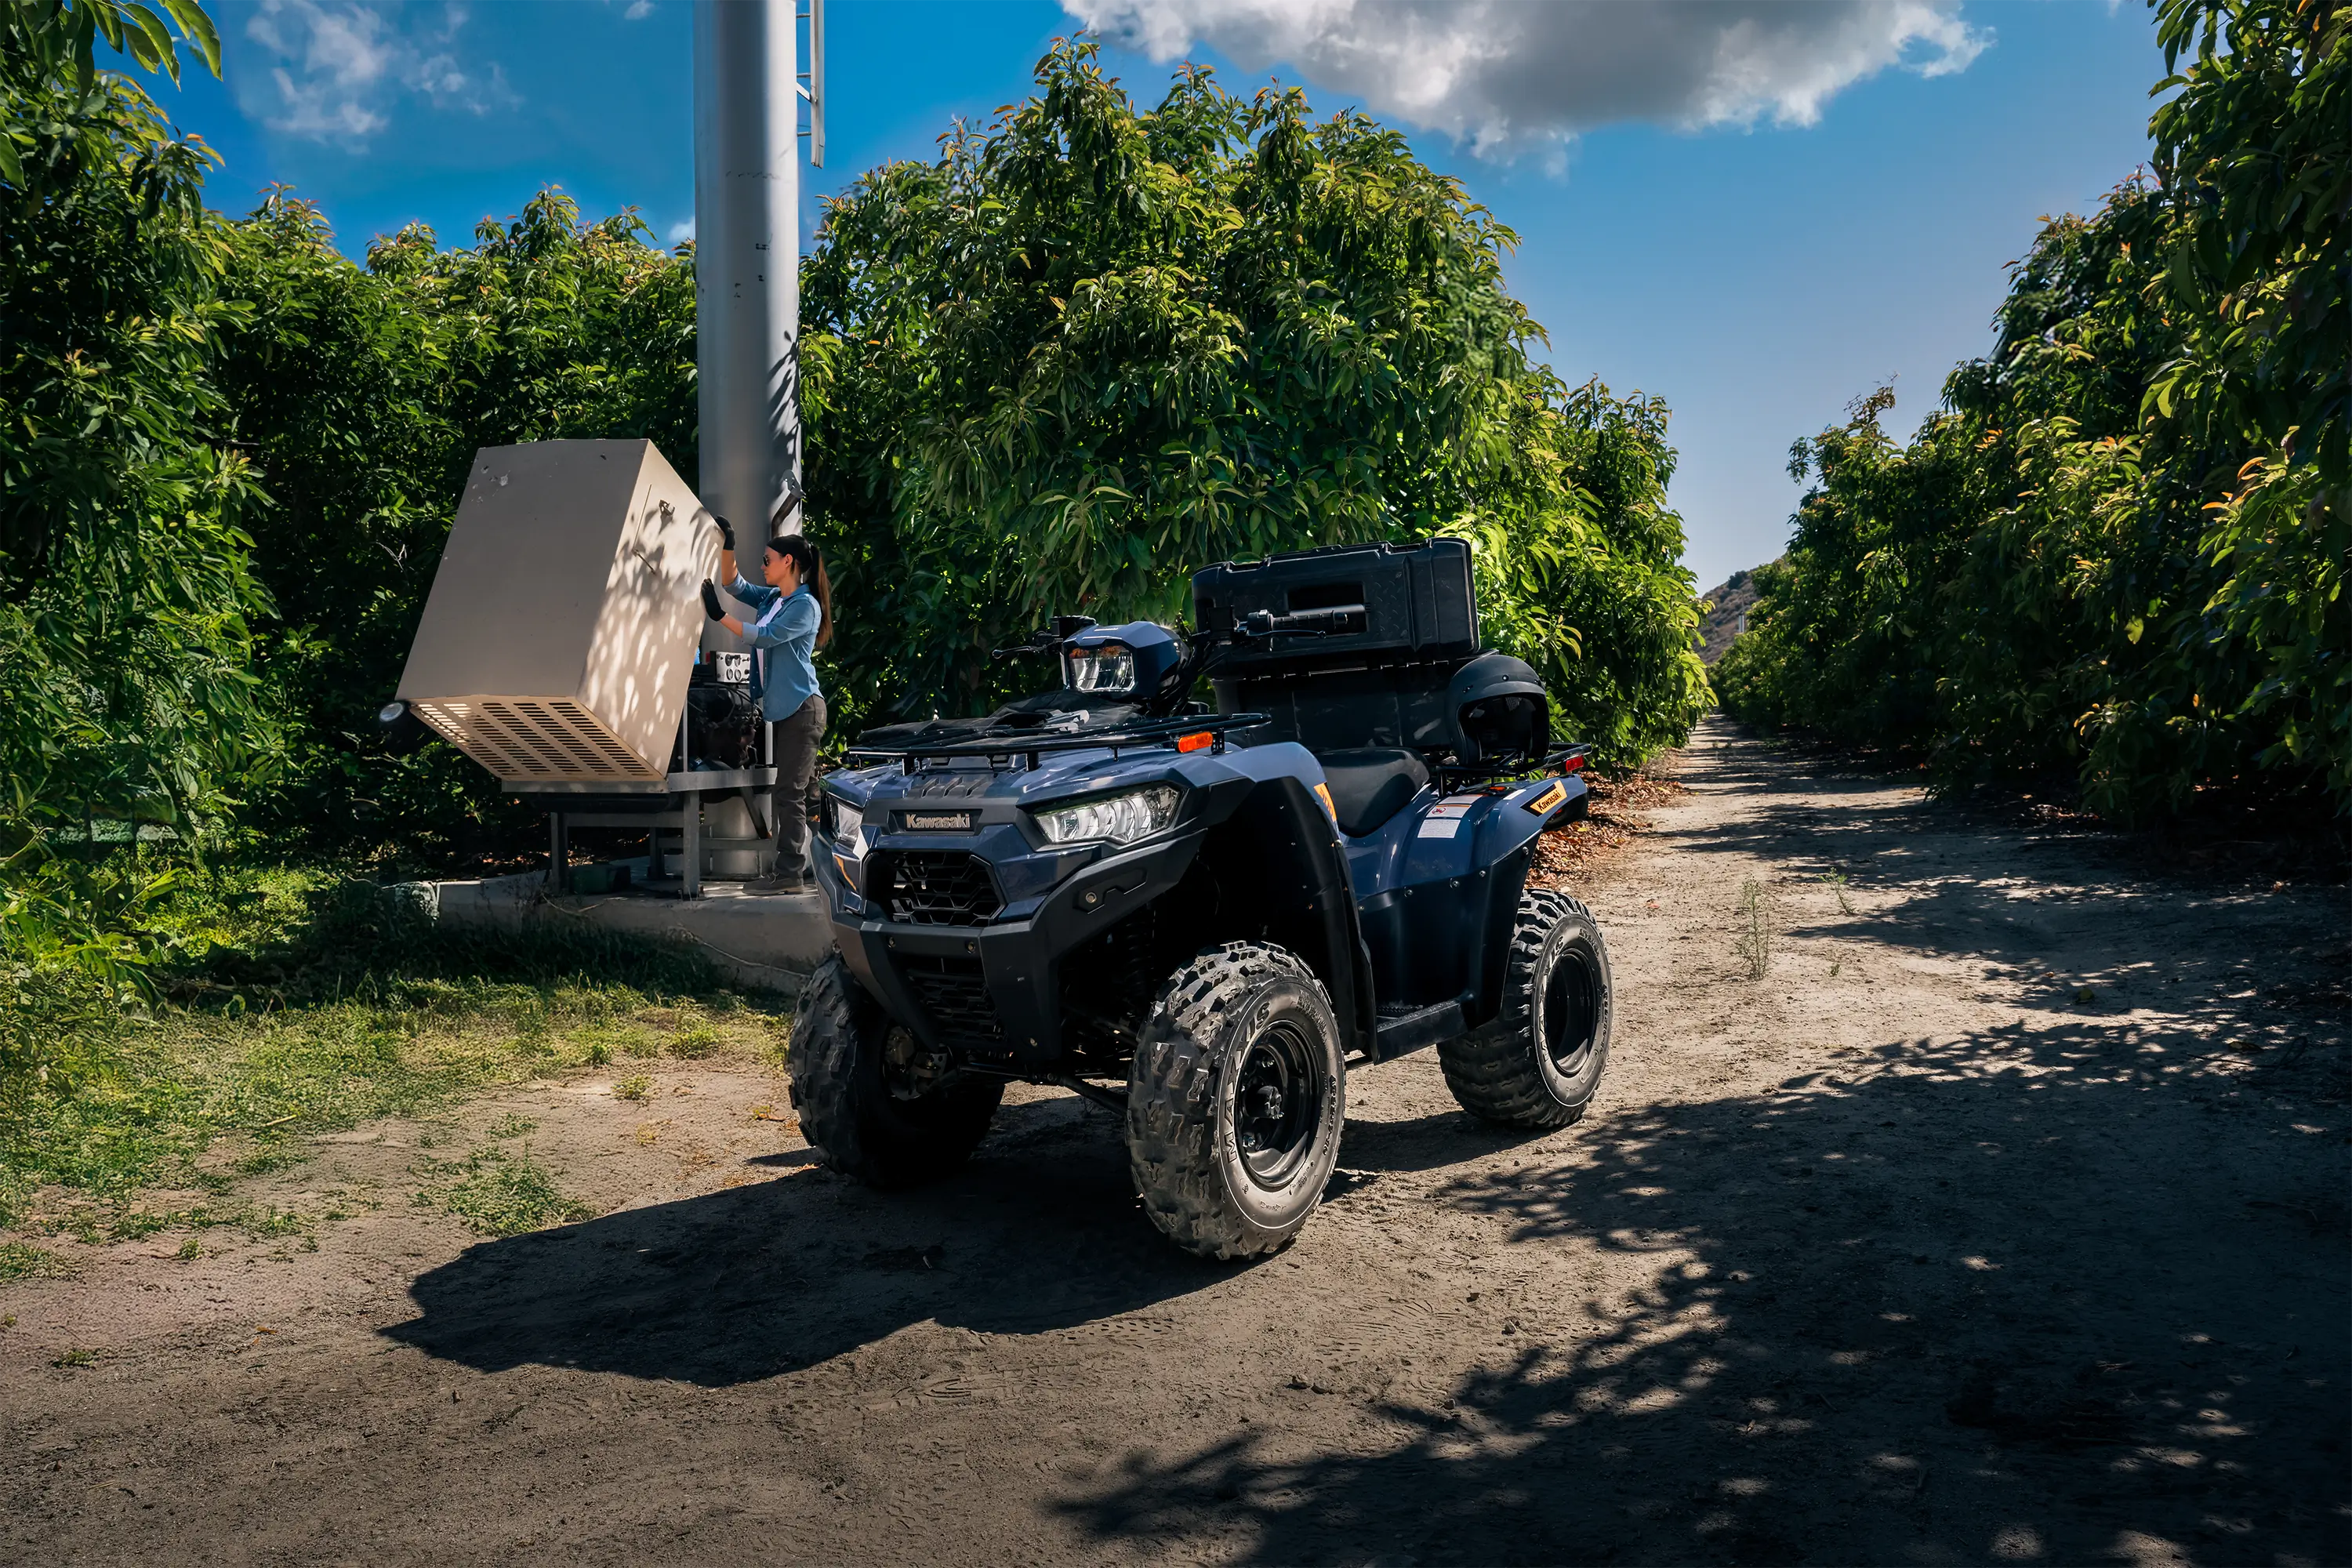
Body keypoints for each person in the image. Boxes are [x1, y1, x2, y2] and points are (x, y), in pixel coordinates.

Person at [700, 503, 832, 889]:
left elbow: (767, 637)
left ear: (788, 562)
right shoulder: (774, 599)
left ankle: (789, 875)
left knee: (788, 793)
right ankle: (818, 863)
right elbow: (733, 585)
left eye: (767, 560)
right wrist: (728, 545)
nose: (763, 566)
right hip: (788, 711)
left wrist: (719, 617)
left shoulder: (805, 606)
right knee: (798, 795)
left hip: (803, 709)